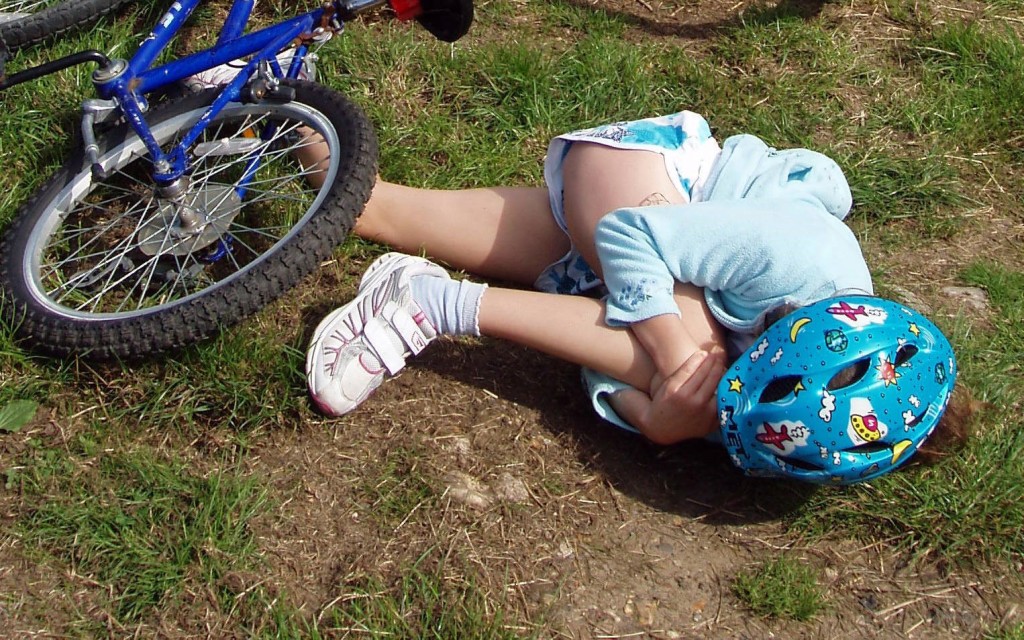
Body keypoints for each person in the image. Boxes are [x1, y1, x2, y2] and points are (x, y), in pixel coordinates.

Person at [304, 111, 967, 483]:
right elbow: (631, 240)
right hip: (636, 185)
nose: (753, 374)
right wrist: (678, 354)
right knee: (692, 357)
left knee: (362, 206)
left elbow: (603, 354)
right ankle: (428, 303)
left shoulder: (793, 424)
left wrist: (660, 422)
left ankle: (256, 97)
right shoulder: (804, 256)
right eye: (768, 362)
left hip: (622, 272)